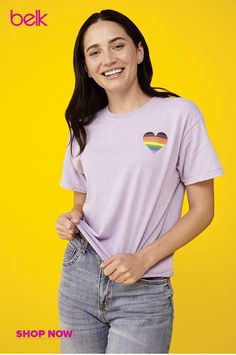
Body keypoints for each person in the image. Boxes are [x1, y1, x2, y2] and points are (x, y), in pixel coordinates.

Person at [55, 9, 224, 354]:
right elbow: (80, 204)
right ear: (87, 67)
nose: (108, 59)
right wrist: (70, 219)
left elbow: (203, 210)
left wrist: (143, 260)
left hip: (144, 287)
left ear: (139, 51)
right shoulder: (83, 126)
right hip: (80, 274)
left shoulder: (179, 115)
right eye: (95, 52)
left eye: (118, 46)